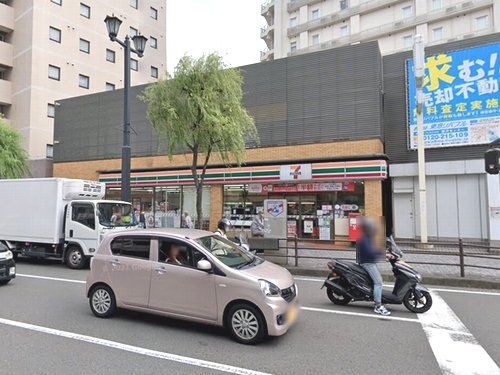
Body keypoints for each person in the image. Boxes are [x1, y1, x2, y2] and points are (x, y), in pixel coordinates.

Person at [356, 218, 391, 316]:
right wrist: (384, 255)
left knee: (375, 281)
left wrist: (384, 251)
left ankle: (377, 297)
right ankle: (378, 306)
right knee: (378, 282)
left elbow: (373, 249)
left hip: (368, 261)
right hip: (367, 263)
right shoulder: (364, 239)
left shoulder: (367, 237)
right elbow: (370, 252)